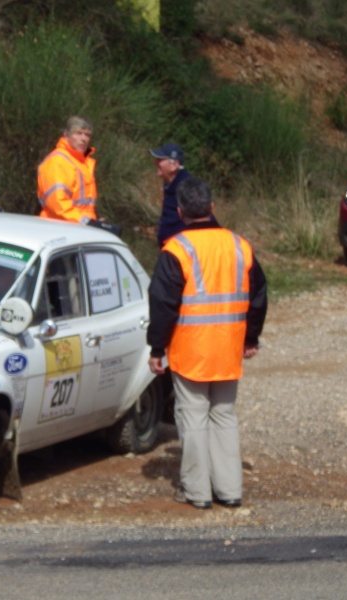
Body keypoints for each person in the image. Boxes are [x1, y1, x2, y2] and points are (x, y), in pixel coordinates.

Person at [146, 177, 267, 510]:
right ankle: (229, 490)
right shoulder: (240, 245)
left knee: (193, 418)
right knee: (224, 415)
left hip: (191, 350)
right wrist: (251, 337)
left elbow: (162, 303)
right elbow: (258, 295)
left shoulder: (176, 249)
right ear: (212, 208)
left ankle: (197, 491)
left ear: (181, 211)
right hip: (228, 348)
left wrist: (157, 348)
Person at [150, 142, 213, 247]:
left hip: (185, 254)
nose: (155, 162)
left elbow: (203, 218)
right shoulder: (171, 183)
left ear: (174, 165)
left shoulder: (187, 188)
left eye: (160, 160)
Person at [37, 115, 98, 224]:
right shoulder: (58, 162)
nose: (83, 139)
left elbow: (84, 207)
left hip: (76, 226)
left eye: (87, 135)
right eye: (78, 133)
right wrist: (87, 222)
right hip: (56, 226)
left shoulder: (82, 163)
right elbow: (58, 203)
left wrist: (93, 222)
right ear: (66, 135)